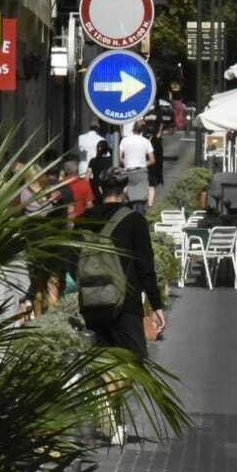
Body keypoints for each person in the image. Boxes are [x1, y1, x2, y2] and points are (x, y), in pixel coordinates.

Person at [81, 165, 167, 361]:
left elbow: (73, 258)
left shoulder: (84, 219)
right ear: (126, 189)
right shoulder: (135, 221)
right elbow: (146, 268)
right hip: (126, 305)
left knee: (100, 362)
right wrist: (156, 305)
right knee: (132, 362)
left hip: (91, 301)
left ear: (100, 189)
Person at [117, 123, 155, 211]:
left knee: (129, 197)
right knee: (141, 198)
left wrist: (127, 163)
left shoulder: (124, 140)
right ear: (142, 131)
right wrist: (143, 163)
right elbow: (152, 160)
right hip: (141, 171)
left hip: (128, 171)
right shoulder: (146, 141)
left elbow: (120, 157)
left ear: (132, 129)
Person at [146, 121, 166, 207]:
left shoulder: (143, 140)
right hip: (153, 167)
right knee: (151, 186)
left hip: (145, 165)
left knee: (148, 185)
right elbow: (159, 158)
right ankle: (150, 204)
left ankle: (146, 202)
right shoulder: (157, 141)